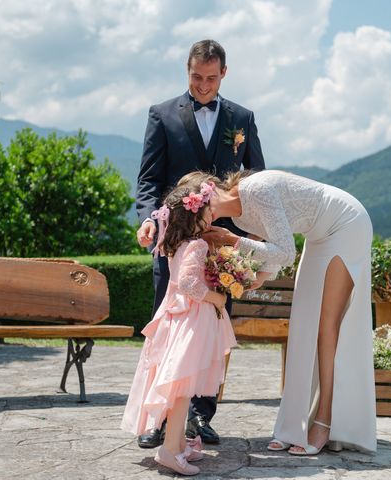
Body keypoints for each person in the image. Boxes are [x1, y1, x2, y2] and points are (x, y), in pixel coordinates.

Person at [180, 169, 377, 455]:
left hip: (346, 224)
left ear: (209, 190)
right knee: (303, 326)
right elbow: (272, 249)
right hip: (319, 235)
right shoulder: (237, 217)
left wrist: (230, 240)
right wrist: (254, 278)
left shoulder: (257, 190)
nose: (197, 219)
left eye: (197, 208)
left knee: (326, 326)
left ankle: (323, 422)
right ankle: (293, 426)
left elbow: (285, 252)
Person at [134, 38, 265, 447]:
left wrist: (252, 232)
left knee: (211, 332)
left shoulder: (243, 118)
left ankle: (199, 416)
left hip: (225, 246)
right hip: (174, 244)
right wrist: (149, 223)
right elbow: (148, 182)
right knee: (165, 331)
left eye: (211, 78)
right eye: (196, 77)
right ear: (186, 71)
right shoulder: (161, 115)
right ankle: (156, 419)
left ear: (224, 73)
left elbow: (255, 180)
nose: (203, 85)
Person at [121, 182, 236, 476]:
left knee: (179, 387)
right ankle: (170, 450)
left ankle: (176, 443)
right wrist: (217, 297)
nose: (212, 215)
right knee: (182, 389)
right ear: (194, 215)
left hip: (177, 317)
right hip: (191, 320)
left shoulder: (176, 243)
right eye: (209, 210)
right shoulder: (196, 245)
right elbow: (188, 284)